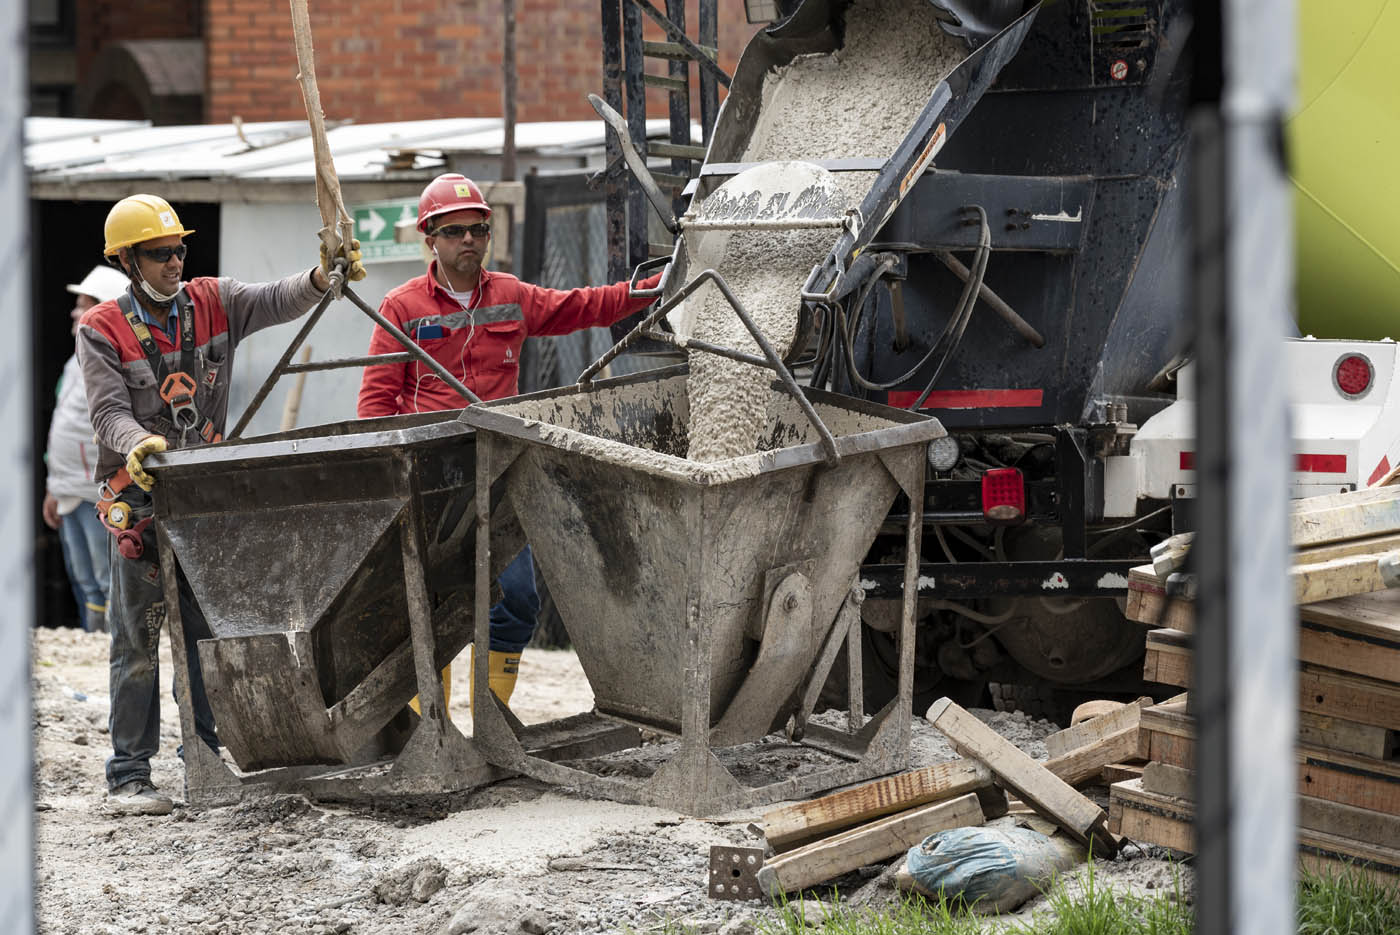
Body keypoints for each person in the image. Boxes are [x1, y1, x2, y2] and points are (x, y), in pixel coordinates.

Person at [77, 193, 365, 816]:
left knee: (205, 636)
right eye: (159, 253)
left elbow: (275, 299)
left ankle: (203, 759)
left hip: (206, 504)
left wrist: (322, 277)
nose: (175, 261)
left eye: (179, 248)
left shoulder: (213, 300)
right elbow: (106, 412)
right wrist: (136, 444)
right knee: (137, 638)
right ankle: (129, 774)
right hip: (142, 501)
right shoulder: (100, 328)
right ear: (129, 261)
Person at [356, 173, 660, 710]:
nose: (468, 240)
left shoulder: (510, 296)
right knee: (429, 606)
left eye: (478, 229)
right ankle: (432, 729)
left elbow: (580, 306)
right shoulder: (401, 308)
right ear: (430, 238)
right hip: (431, 479)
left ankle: (491, 725)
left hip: (499, 471)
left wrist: (647, 292)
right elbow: (377, 403)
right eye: (454, 232)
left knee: (516, 600)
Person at [44, 265, 131, 632]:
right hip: (68, 490)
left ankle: (112, 649)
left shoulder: (115, 364)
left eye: (83, 305)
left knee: (108, 578)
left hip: (100, 494)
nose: (74, 313)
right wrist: (53, 487)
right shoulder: (72, 363)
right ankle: (90, 641)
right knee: (83, 578)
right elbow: (62, 425)